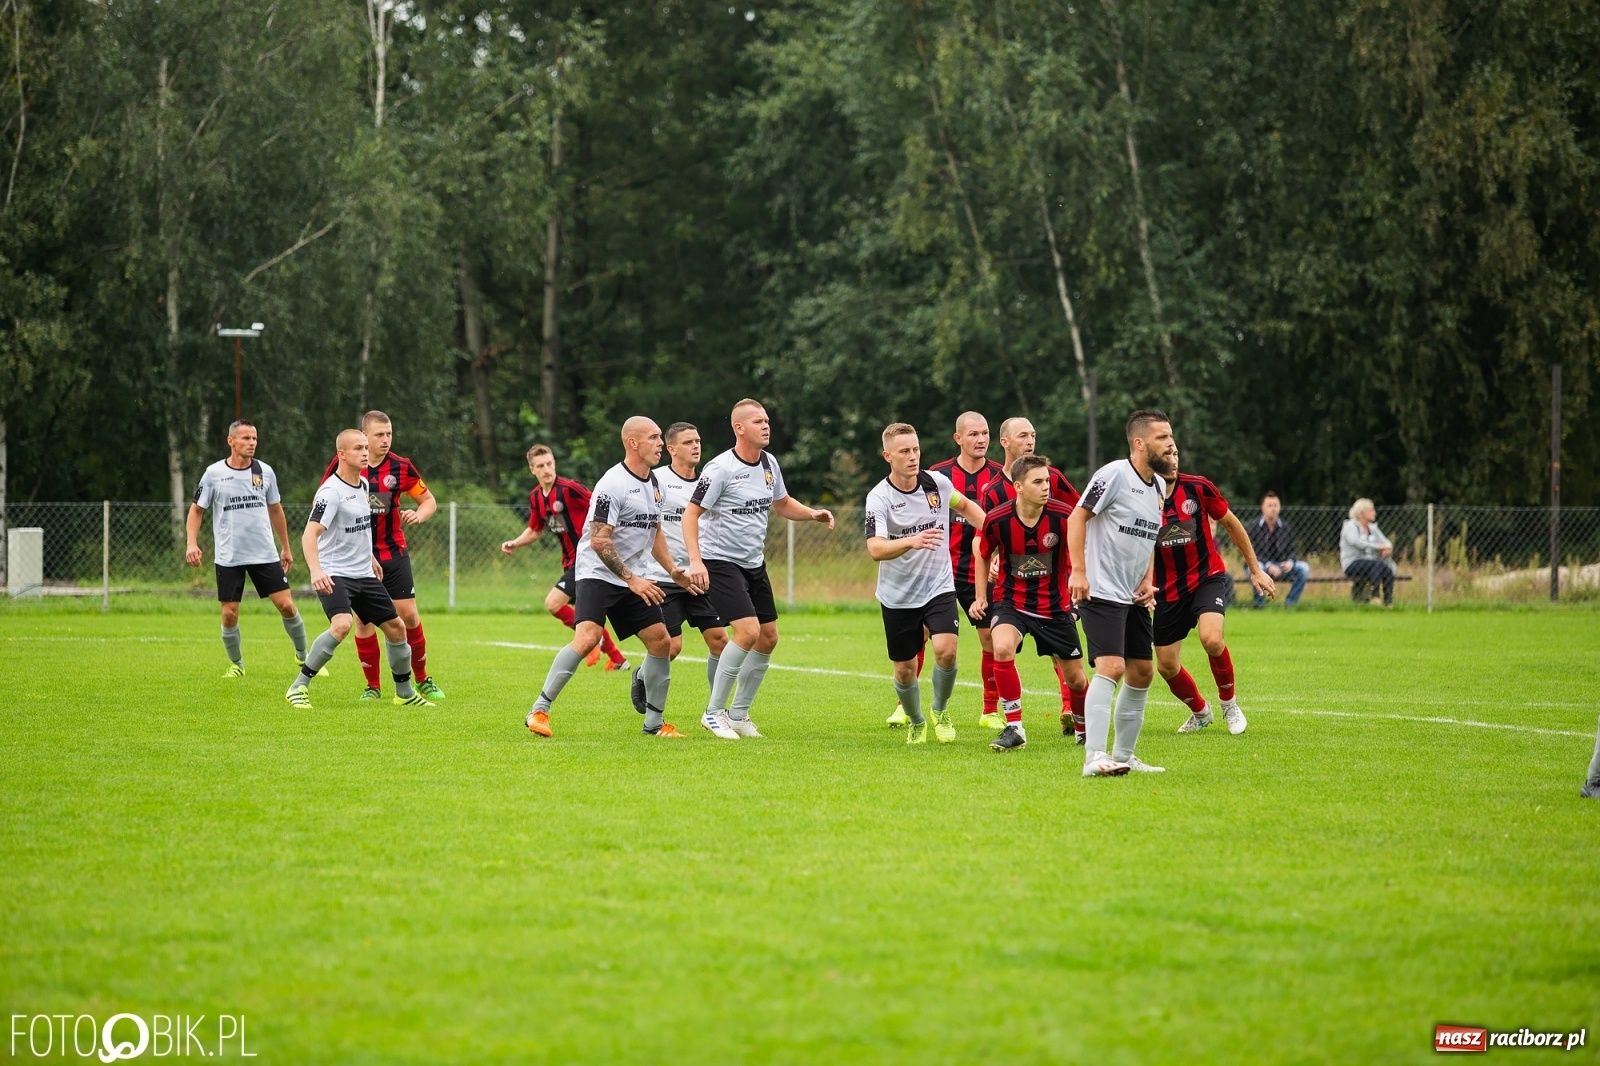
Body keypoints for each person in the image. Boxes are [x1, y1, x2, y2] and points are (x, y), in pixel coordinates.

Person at [525, 417, 692, 738]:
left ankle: (654, 725)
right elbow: (600, 540)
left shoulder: (654, 483)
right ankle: (539, 710)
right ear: (633, 443)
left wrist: (672, 570)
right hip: (597, 573)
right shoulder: (611, 484)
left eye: (661, 438)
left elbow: (655, 530)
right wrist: (632, 579)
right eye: (654, 438)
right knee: (587, 637)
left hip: (633, 578)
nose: (660, 444)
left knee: (661, 642)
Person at [683, 399, 835, 740]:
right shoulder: (719, 469)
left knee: (768, 637)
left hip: (754, 562)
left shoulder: (769, 463)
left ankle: (738, 714)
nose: (766, 426)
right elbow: (690, 514)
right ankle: (713, 712)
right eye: (757, 421)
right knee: (748, 632)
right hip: (720, 561)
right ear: (739, 428)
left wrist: (812, 513)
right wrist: (695, 561)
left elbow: (781, 503)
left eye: (766, 420)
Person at [287, 429, 432, 709]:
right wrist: (317, 572)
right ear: (341, 454)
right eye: (358, 448)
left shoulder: (363, 486)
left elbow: (361, 531)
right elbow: (309, 534)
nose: (365, 453)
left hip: (363, 573)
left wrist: (371, 559)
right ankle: (298, 686)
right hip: (335, 573)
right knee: (342, 624)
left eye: (366, 448)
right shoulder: (331, 491)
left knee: (397, 628)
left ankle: (404, 694)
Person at [1067, 409, 1175, 777]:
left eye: (1170, 436)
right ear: (1139, 443)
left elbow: (1147, 537)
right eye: (1162, 437)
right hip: (1099, 589)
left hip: (1131, 595)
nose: (1171, 443)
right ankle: (1094, 757)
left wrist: (1147, 578)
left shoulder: (1159, 486)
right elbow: (1077, 518)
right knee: (1111, 667)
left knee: (1143, 671)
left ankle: (1124, 756)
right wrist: (1079, 571)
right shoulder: (1113, 474)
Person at [866, 423, 986, 745]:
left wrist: (995, 536)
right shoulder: (879, 497)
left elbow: (966, 507)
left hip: (939, 585)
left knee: (946, 651)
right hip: (898, 595)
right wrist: (911, 540)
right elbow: (875, 549)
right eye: (904, 451)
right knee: (904, 670)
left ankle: (940, 710)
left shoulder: (937, 484)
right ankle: (916, 720)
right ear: (887, 456)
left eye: (916, 449)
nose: (913, 456)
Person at [323, 411, 446, 702]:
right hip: (356, 557)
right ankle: (373, 686)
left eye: (389, 434)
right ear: (363, 437)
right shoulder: (343, 466)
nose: (385, 440)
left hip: (392, 553)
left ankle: (422, 679)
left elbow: (428, 501)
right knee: (364, 623)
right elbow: (326, 500)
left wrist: (419, 514)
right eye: (379, 435)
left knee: (409, 615)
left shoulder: (401, 467)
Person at [1153, 451, 1275, 736]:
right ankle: (1200, 711)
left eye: (1175, 453)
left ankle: (1229, 705)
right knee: (1166, 665)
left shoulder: (1197, 487)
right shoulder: (1139, 498)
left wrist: (1255, 570)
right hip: (1168, 590)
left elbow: (1232, 524)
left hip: (1206, 578)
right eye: (1166, 454)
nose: (1173, 459)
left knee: (1211, 639)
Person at [979, 416, 1086, 739]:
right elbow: (982, 547)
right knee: (1001, 647)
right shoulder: (995, 503)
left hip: (1053, 603)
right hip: (1012, 599)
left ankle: (1081, 724)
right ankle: (1014, 727)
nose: (1030, 440)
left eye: (1033, 434)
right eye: (1023, 435)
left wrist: (1080, 574)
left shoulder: (1062, 512)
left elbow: (1085, 519)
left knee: (1078, 678)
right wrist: (984, 592)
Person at [185, 420, 313, 677]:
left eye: (254, 438)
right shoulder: (213, 473)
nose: (252, 443)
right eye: (245, 438)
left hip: (264, 553)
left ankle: (304, 658)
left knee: (287, 606)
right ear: (230, 441)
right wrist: (191, 542)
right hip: (229, 556)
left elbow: (276, 510)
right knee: (230, 614)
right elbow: (196, 510)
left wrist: (286, 547)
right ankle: (237, 665)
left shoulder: (265, 472)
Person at [500, 444, 628, 671]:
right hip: (571, 561)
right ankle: (617, 659)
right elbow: (534, 530)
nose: (547, 469)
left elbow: (602, 506)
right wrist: (516, 543)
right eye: (540, 466)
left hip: (588, 558)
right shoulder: (536, 497)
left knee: (553, 603)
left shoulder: (570, 489)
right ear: (532, 469)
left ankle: (599, 642)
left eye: (549, 463)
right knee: (585, 614)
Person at [631, 422, 729, 714]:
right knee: (671, 648)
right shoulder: (656, 480)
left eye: (698, 441)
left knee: (720, 641)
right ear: (671, 449)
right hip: (664, 577)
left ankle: (716, 710)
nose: (696, 446)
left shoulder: (708, 483)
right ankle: (640, 675)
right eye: (688, 442)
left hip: (700, 576)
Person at [925, 412, 1006, 727]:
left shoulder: (1001, 477)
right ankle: (904, 706)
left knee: (990, 637)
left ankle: (989, 711)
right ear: (958, 438)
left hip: (983, 573)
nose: (981, 439)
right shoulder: (937, 476)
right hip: (942, 570)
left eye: (985, 433)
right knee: (923, 634)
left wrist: (999, 557)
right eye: (973, 434)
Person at [1247, 492, 1310, 607]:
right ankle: (1260, 605)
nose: (1273, 509)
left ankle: (1289, 604)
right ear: (1262, 508)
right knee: (1258, 567)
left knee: (1304, 568)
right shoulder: (1253, 526)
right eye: (1270, 505)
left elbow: (1292, 550)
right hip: (1260, 565)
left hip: (1281, 566)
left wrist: (1290, 562)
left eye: (1276, 505)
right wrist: (1269, 565)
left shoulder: (1285, 527)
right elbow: (1250, 553)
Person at [1341, 498, 1395, 606]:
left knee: (1387, 568)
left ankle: (1388, 602)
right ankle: (1375, 597)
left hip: (1372, 563)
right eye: (1371, 510)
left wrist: (1387, 548)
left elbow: (1387, 542)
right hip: (1353, 563)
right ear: (1361, 513)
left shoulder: (1373, 528)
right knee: (1377, 564)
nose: (1374, 513)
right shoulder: (1350, 526)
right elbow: (1356, 542)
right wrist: (1378, 547)